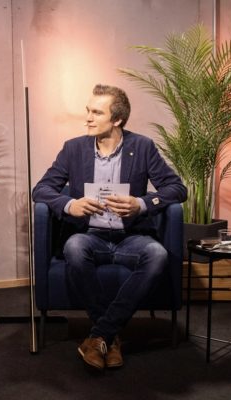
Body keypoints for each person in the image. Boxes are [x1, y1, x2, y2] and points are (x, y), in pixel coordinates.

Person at [32, 84, 187, 371]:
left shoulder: (142, 147)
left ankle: (100, 335)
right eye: (88, 111)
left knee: (158, 255)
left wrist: (141, 203)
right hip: (89, 236)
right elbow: (41, 190)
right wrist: (70, 204)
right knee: (74, 247)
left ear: (117, 120)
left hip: (131, 237)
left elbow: (177, 188)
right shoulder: (73, 148)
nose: (88, 117)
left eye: (96, 112)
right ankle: (110, 337)